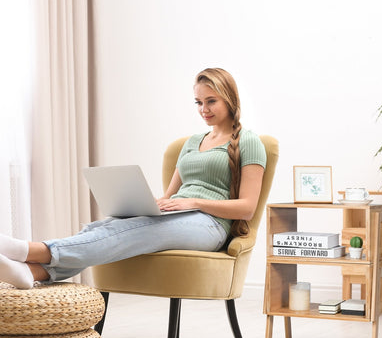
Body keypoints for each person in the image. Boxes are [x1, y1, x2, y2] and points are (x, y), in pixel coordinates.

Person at [0, 68, 267, 289]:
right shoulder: (192, 143)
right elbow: (169, 197)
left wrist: (193, 202)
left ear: (229, 99)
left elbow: (247, 208)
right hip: (179, 216)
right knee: (104, 227)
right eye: (198, 102)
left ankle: (30, 250)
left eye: (211, 101)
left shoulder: (249, 142)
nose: (203, 109)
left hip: (211, 226)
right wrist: (151, 203)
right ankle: (33, 274)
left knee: (142, 229)